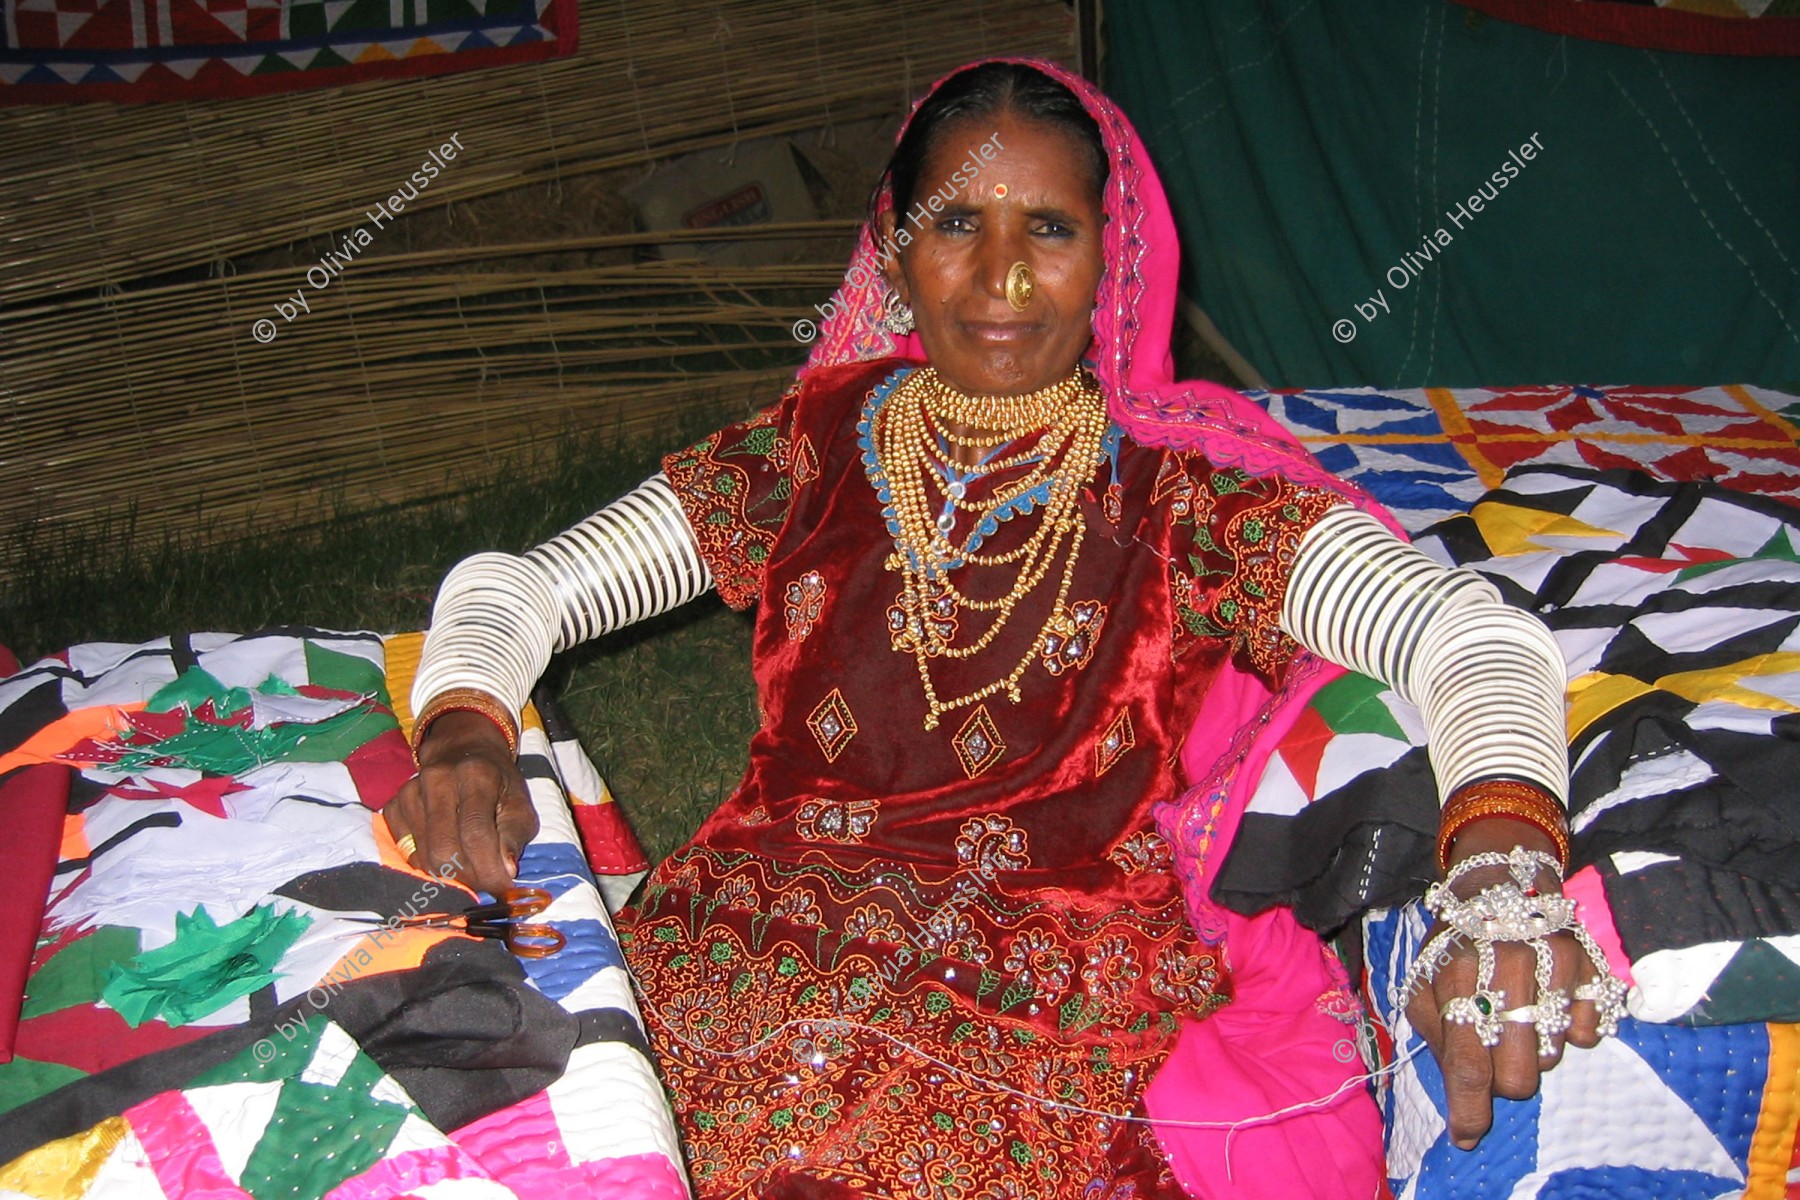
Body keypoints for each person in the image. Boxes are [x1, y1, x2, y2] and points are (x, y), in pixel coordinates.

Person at [384, 60, 1625, 1199]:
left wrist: (1501, 867)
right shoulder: (811, 446)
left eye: (1051, 229)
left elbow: (1468, 637)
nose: (1003, 280)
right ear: (893, 243)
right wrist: (463, 721)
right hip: (745, 941)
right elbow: (525, 586)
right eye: (957, 224)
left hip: (1035, 990)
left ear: (1114, 256)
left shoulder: (1185, 496)